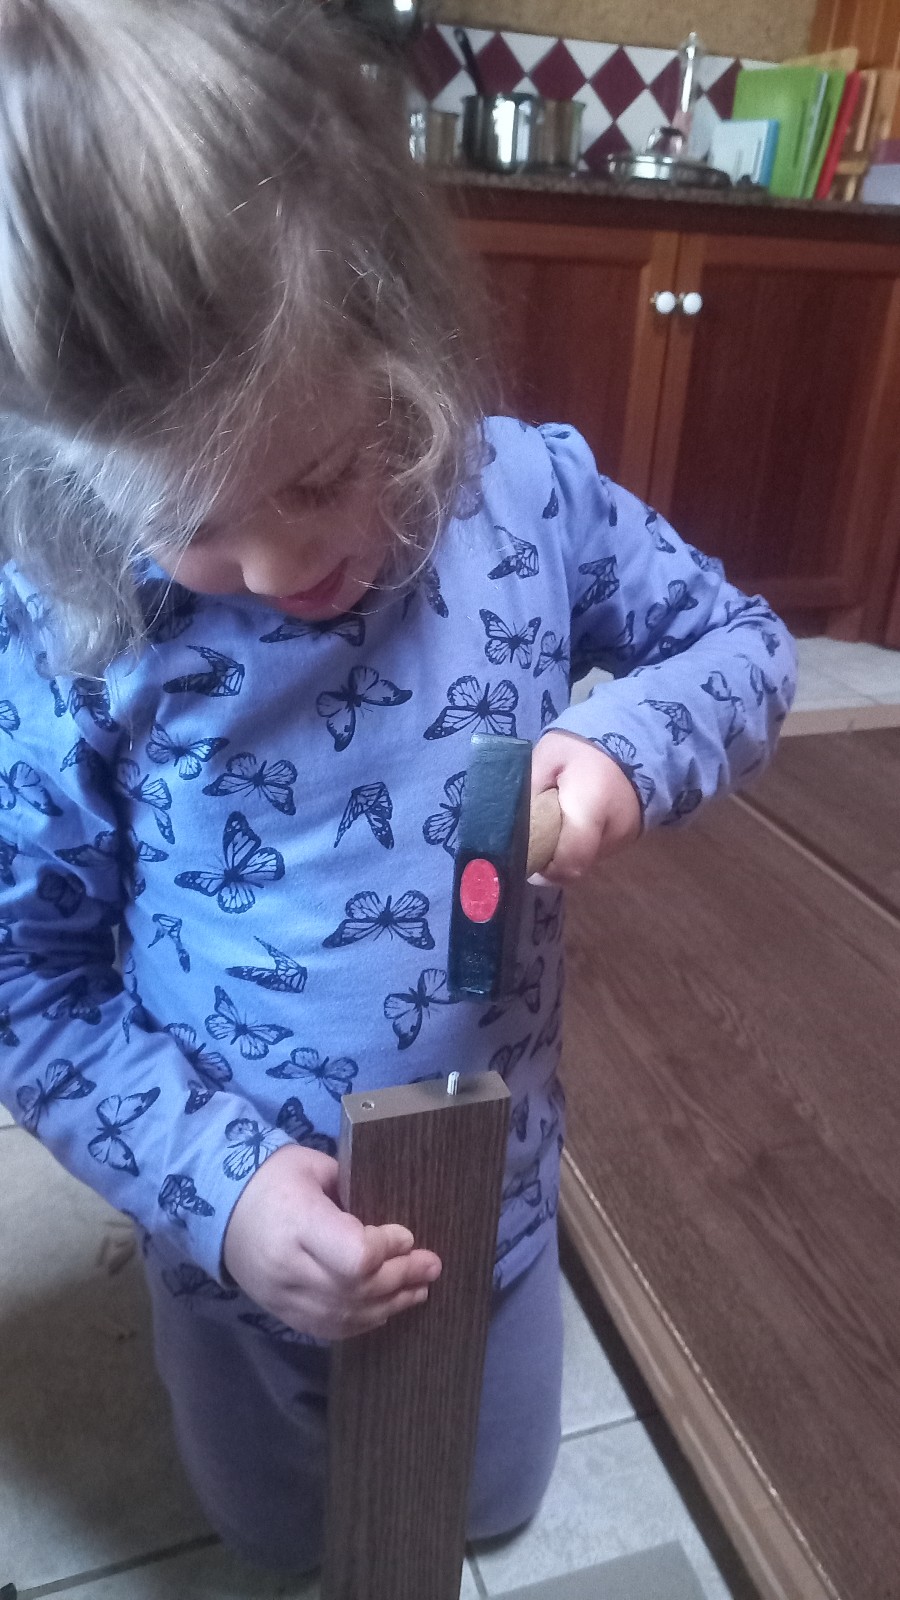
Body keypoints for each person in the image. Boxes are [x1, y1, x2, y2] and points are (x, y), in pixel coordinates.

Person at [0, 0, 796, 1576]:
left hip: (492, 1193)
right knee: (275, 1532)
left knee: (487, 1501)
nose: (280, 565)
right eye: (195, 527)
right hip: (236, 1244)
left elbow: (743, 646)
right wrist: (221, 1195)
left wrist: (630, 744)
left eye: (318, 474)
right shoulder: (68, 626)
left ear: (403, 330)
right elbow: (30, 981)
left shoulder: (532, 498)